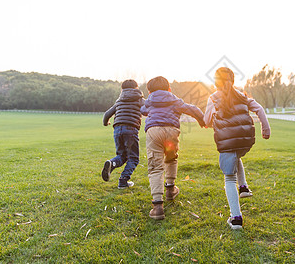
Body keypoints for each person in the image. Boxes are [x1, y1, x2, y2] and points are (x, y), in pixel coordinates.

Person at [204, 67, 271, 230]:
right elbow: (260, 109)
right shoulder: (243, 96)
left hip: (228, 142)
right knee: (236, 156)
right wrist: (265, 129)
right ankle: (244, 187)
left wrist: (210, 118)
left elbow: (206, 121)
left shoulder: (213, 98)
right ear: (233, 80)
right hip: (245, 141)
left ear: (216, 82)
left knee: (229, 178)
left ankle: (236, 218)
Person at [141, 76, 206, 220]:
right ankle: (170, 189)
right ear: (169, 89)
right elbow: (192, 109)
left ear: (149, 91)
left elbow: (142, 110)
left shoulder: (149, 101)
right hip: (171, 132)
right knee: (171, 159)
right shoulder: (175, 100)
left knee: (155, 166)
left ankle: (158, 207)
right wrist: (201, 120)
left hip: (154, 131)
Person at [102, 79, 145, 189]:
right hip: (131, 129)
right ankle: (123, 181)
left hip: (117, 129)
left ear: (122, 89)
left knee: (122, 155)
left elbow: (107, 114)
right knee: (134, 158)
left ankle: (112, 163)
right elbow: (148, 109)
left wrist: (106, 123)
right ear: (136, 88)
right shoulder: (139, 99)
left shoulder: (119, 101)